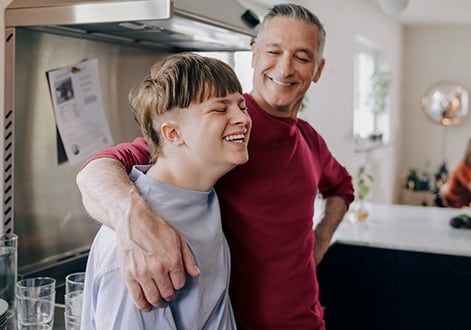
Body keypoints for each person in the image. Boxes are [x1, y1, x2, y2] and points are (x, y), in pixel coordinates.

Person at [76, 3, 354, 329]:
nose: (285, 67)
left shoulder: (308, 139)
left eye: (302, 57)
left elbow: (342, 187)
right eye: (274, 51)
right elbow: (101, 167)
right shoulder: (218, 133)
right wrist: (132, 222)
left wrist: (316, 245)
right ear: (254, 54)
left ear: (317, 70)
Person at [81, 52, 251, 329]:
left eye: (241, 106)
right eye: (220, 109)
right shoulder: (136, 247)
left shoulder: (200, 197)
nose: (242, 119)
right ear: (173, 134)